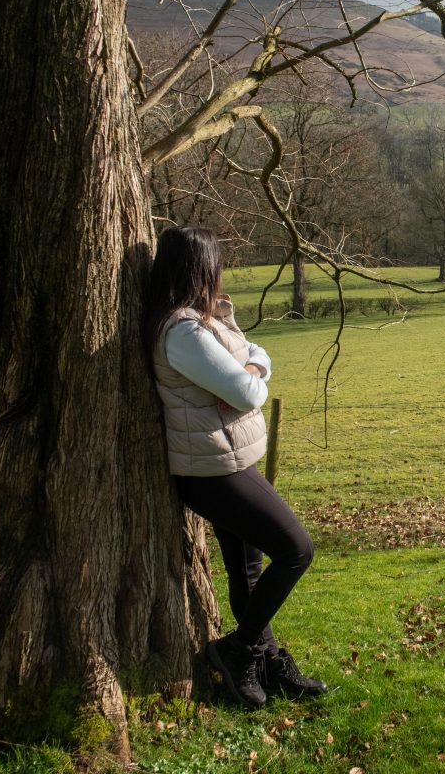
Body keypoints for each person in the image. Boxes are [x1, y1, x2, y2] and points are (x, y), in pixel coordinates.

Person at [142, 225, 326, 707]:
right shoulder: (183, 331)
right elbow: (246, 391)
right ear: (200, 268)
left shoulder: (206, 320)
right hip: (211, 471)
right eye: (215, 264)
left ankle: (264, 658)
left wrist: (250, 370)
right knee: (296, 550)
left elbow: (255, 358)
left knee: (248, 570)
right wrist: (248, 379)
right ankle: (238, 649)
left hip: (227, 458)